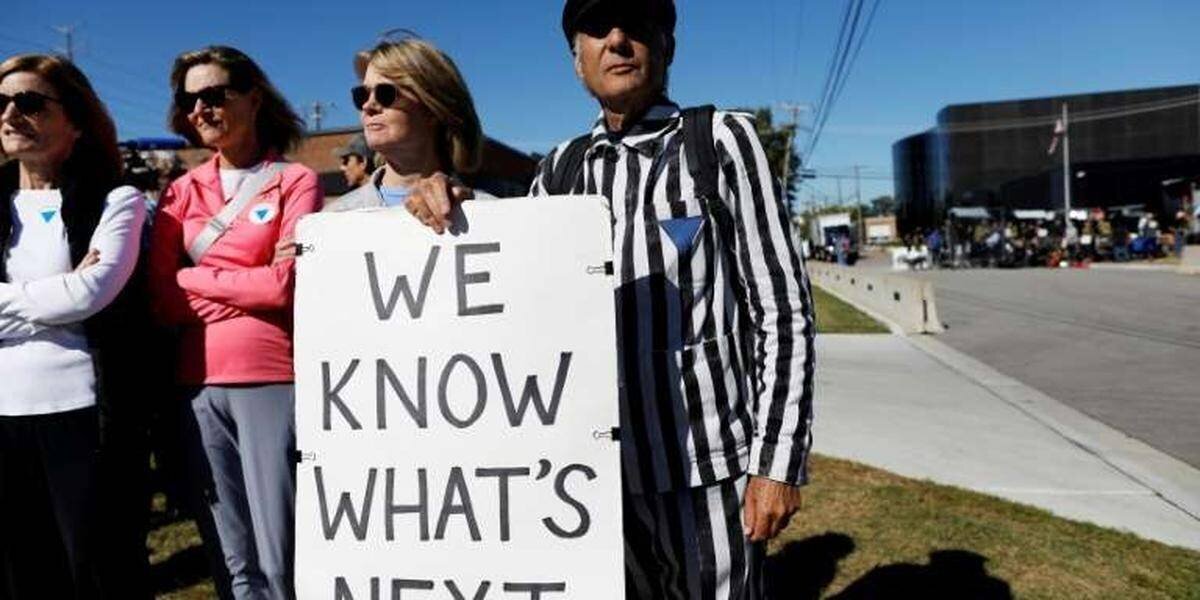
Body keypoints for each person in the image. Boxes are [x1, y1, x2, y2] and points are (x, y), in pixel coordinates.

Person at [406, 1, 816, 597]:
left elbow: (783, 314)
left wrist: (777, 463)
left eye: (638, 25)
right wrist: (444, 199)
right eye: (598, 29)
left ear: (667, 47)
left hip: (704, 474)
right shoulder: (560, 172)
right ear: (577, 62)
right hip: (590, 485)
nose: (618, 40)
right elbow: (512, 292)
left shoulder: (721, 142)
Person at [147, 45, 321, 600]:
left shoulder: (294, 180)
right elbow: (160, 299)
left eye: (216, 94)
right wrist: (245, 282)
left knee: (280, 549)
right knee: (229, 553)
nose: (202, 108)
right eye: (190, 98)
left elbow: (284, 285)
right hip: (194, 384)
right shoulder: (180, 191)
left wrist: (193, 279)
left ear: (254, 96)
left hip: (271, 377)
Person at [0, 53, 150, 598]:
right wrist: (57, 293)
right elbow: (75, 293)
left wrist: (35, 299)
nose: (11, 113)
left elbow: (93, 291)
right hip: (3, 417)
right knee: (22, 577)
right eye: (3, 102)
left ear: (77, 121)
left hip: (85, 421)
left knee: (99, 573)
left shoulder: (119, 200)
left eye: (31, 102)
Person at [322, 34, 484, 213]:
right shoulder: (334, 219)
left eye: (385, 94)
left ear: (433, 108)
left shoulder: (492, 215)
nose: (368, 105)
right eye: (362, 95)